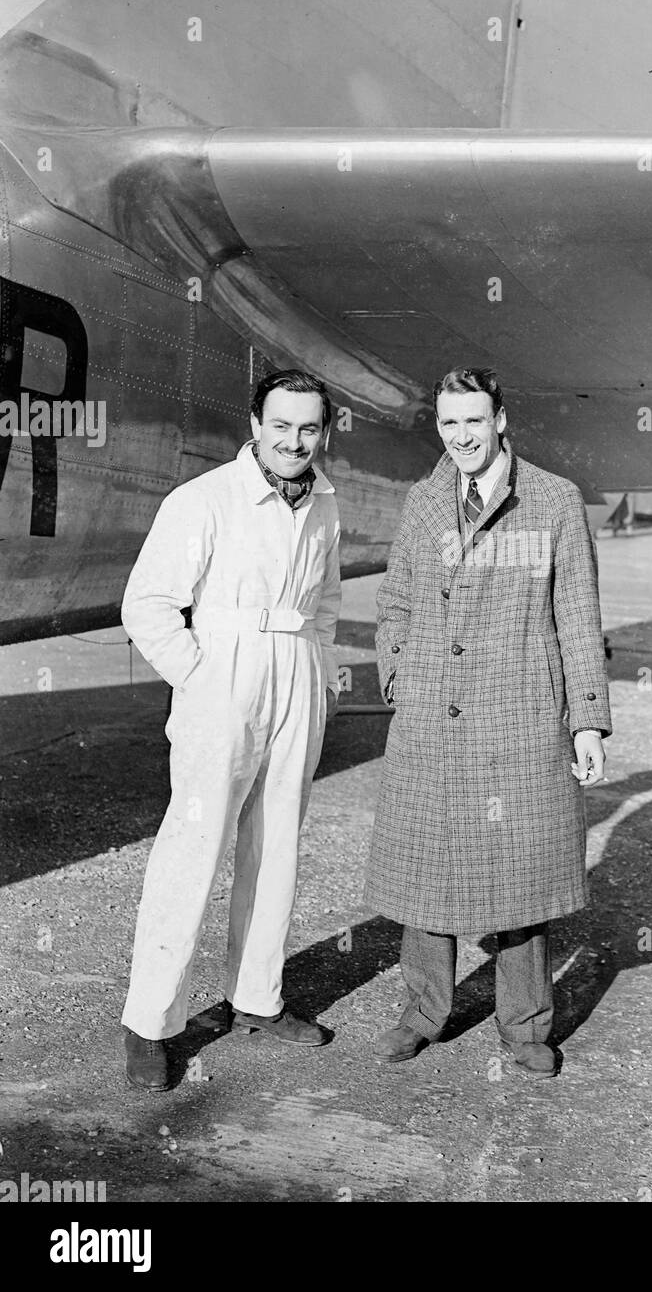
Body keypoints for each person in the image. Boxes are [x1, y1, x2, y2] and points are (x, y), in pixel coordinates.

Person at [364, 367, 611, 1079]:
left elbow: (578, 617)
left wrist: (585, 722)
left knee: (521, 877)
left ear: (500, 419)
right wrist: (399, 678)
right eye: (448, 424)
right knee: (424, 871)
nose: (461, 437)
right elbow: (396, 605)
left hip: (520, 717)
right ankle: (422, 1012)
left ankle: (525, 1026)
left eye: (473, 421)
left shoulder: (555, 501)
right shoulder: (422, 501)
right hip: (432, 714)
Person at [119, 369, 342, 1089]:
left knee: (276, 842)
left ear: (324, 432)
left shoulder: (326, 503)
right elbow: (148, 605)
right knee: (193, 847)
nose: (294, 441)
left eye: (308, 428)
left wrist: (316, 674)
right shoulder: (204, 499)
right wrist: (199, 678)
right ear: (255, 424)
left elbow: (329, 603)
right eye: (281, 425)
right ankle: (150, 1024)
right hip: (225, 679)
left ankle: (256, 998)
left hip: (296, 674)